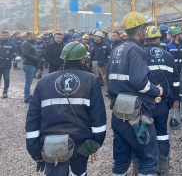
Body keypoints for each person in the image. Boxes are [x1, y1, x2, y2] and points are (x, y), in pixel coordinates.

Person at [25, 42, 106, 176]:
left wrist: (34, 149)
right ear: (83, 59)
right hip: (81, 142)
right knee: (79, 173)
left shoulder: (44, 81)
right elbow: (98, 116)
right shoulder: (91, 80)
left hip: (51, 143)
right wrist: (95, 142)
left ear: (63, 59)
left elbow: (33, 117)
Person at [108, 12, 163, 176]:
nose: (146, 32)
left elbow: (110, 79)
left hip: (118, 112)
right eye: (145, 28)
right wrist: (156, 90)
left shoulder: (117, 50)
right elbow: (139, 82)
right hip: (136, 114)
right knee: (149, 158)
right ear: (139, 32)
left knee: (121, 159)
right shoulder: (137, 50)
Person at [143, 26, 180, 175]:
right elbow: (175, 81)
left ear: (145, 39)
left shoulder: (139, 55)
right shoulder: (168, 56)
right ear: (158, 39)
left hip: (145, 103)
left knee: (144, 133)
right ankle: (163, 167)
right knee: (162, 133)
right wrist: (175, 99)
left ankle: (145, 167)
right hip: (164, 102)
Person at [166, 26, 182, 122]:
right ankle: (175, 113)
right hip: (173, 73)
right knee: (174, 93)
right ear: (176, 36)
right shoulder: (169, 46)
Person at [21, 31, 39, 103]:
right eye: (33, 35)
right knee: (28, 82)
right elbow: (25, 54)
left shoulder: (29, 43)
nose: (35, 36)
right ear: (29, 36)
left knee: (29, 82)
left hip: (31, 65)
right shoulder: (26, 44)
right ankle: (26, 97)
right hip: (28, 65)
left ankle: (28, 95)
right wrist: (35, 59)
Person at [0, 30, 16, 98]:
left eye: (6, 35)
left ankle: (5, 91)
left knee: (6, 78)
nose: (4, 36)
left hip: (7, 65)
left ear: (8, 36)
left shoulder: (11, 44)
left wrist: (9, 58)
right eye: (3, 35)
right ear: (0, 35)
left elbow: (15, 53)